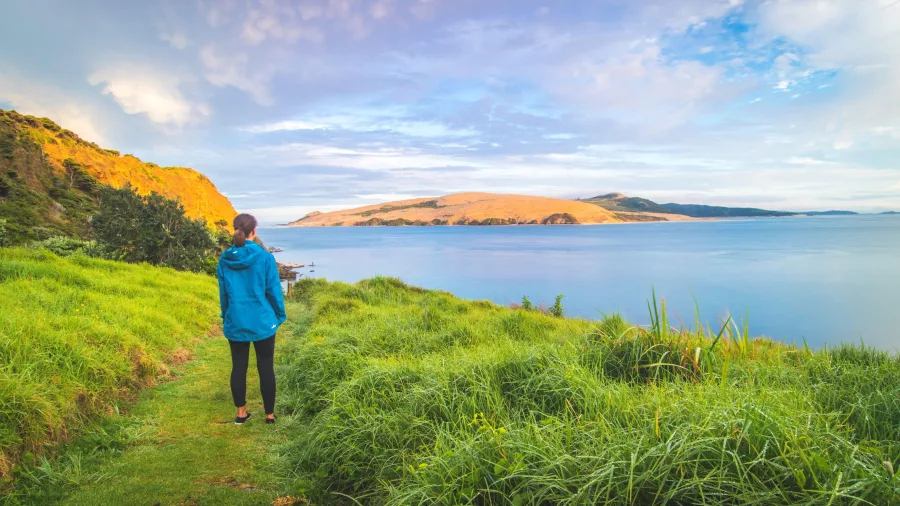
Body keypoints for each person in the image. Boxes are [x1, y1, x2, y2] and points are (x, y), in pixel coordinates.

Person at [216, 213, 286, 425]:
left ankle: (241, 414)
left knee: (238, 367)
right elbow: (273, 290)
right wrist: (279, 315)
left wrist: (226, 315)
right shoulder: (265, 257)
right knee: (265, 366)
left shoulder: (225, 259)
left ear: (236, 230)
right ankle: (270, 416)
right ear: (254, 232)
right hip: (262, 320)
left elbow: (224, 294)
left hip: (236, 319)